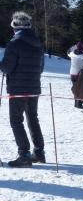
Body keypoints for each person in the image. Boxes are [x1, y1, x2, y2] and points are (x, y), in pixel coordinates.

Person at [0, 11, 45, 167]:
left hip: (18, 88)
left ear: (15, 27)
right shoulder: (38, 42)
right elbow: (41, 68)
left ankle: (24, 154)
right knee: (33, 118)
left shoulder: (14, 43)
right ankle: (39, 152)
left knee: (16, 121)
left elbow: (6, 67)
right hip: (34, 87)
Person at [68, 41, 83, 108]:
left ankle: (76, 103)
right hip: (79, 74)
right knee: (81, 89)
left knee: (75, 88)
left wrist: (75, 46)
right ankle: (79, 104)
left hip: (72, 73)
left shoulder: (72, 54)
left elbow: (68, 51)